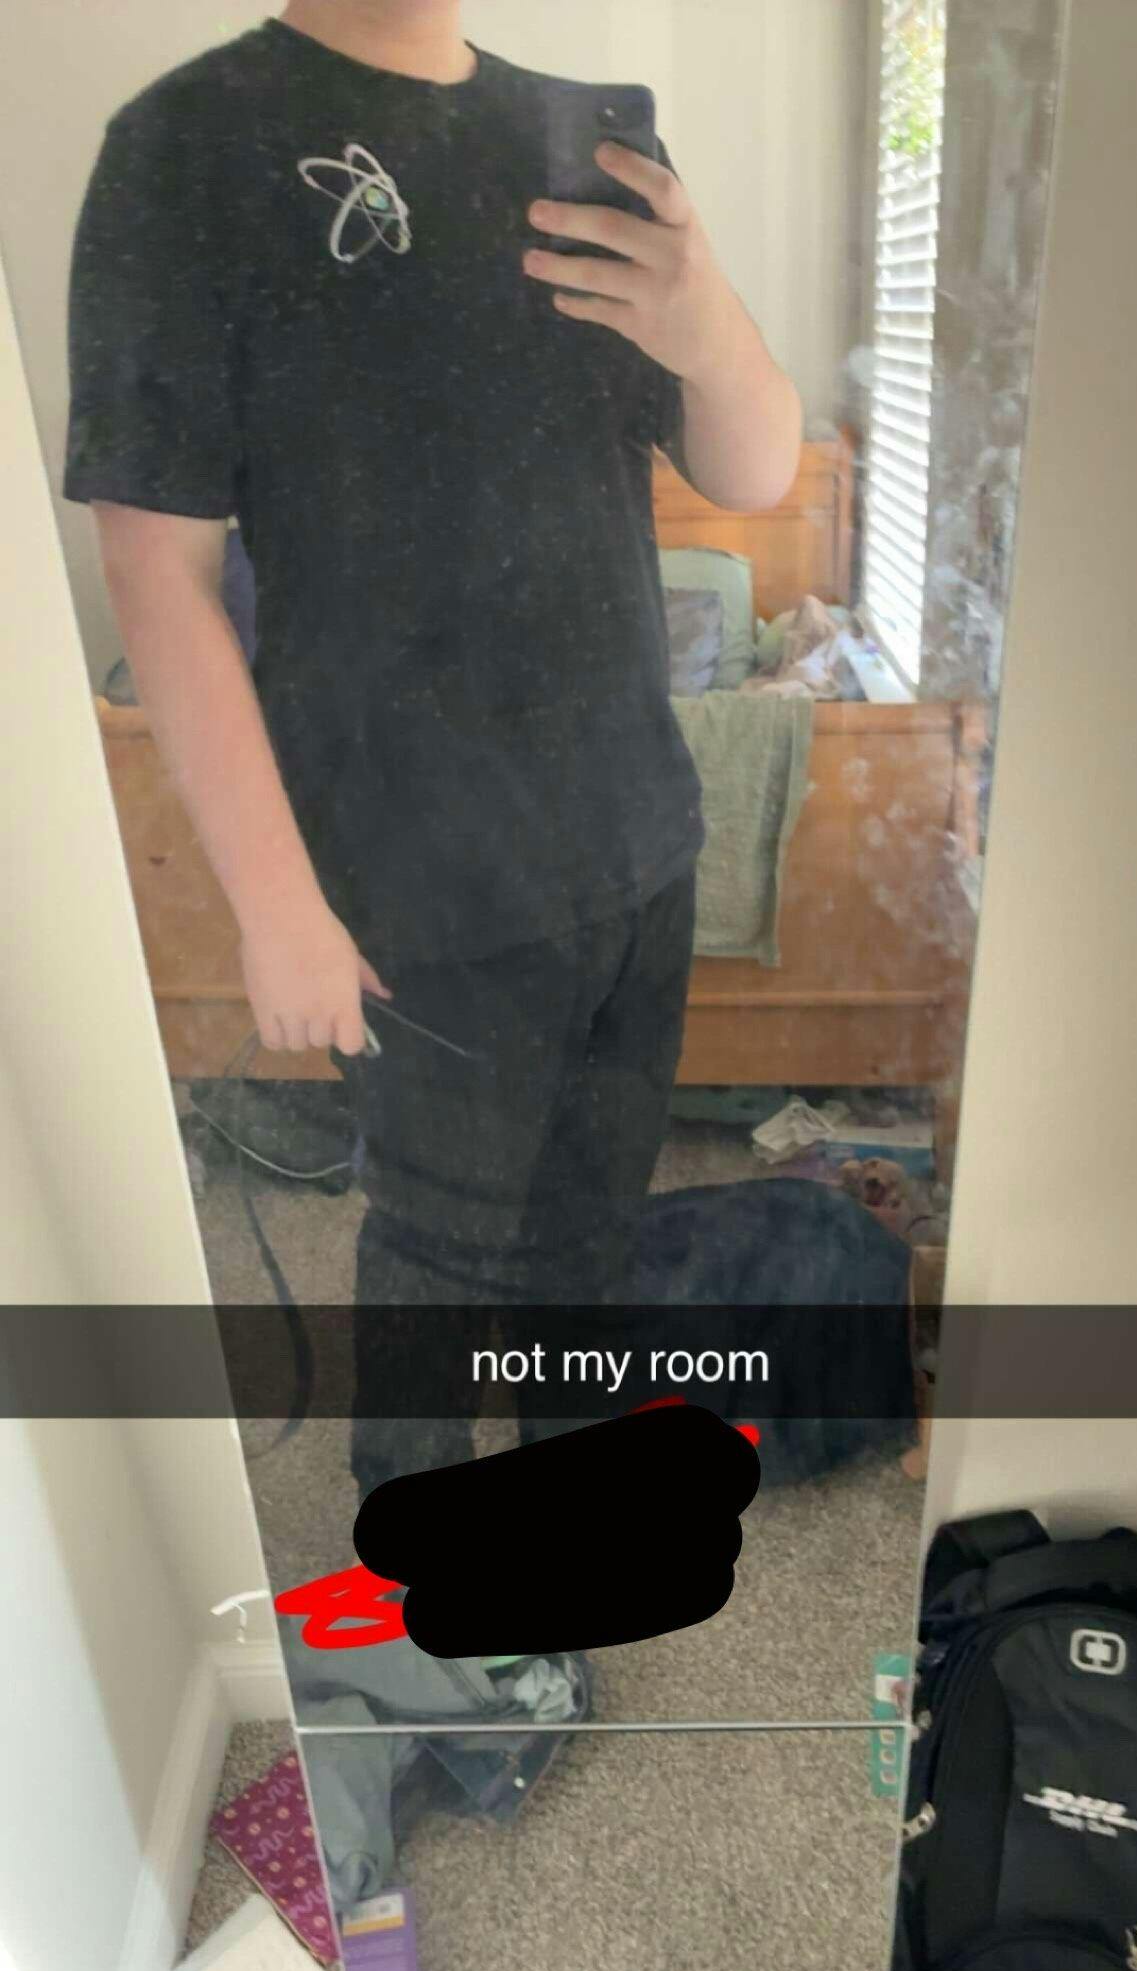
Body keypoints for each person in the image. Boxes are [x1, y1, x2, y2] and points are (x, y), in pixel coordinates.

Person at [64, 0, 803, 1497]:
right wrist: (277, 909)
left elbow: (753, 471)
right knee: (437, 1254)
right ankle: (410, 1550)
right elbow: (157, 574)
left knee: (589, 1234)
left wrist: (715, 329)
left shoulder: (584, 141)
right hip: (414, 870)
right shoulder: (186, 145)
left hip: (635, 833)